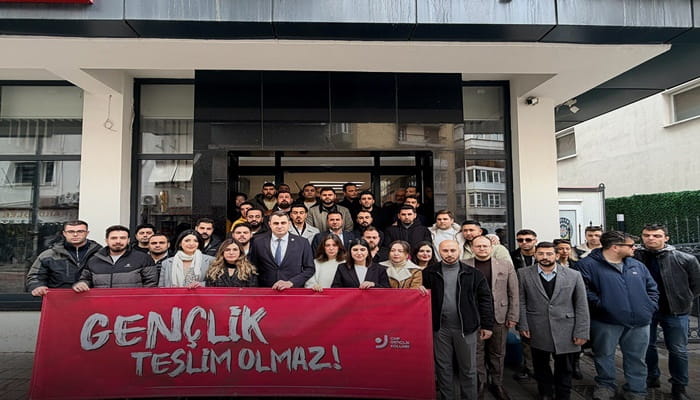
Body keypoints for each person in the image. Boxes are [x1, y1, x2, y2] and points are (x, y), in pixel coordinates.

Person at [577, 231, 659, 400]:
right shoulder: (586, 265)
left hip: (639, 321)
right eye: (631, 245)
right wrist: (602, 305)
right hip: (606, 321)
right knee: (604, 355)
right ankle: (606, 386)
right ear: (615, 247)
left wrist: (649, 306)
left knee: (637, 357)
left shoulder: (637, 265)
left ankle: (636, 390)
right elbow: (583, 291)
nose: (634, 248)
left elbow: (652, 288)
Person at [420, 240, 495, 400]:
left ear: (459, 250)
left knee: (468, 369)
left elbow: (485, 300)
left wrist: (487, 325)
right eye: (445, 250)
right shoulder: (429, 273)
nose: (449, 254)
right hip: (440, 329)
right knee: (443, 368)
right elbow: (421, 298)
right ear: (438, 251)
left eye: (453, 250)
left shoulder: (473, 274)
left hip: (466, 328)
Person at [634, 223, 700, 400]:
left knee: (678, 350)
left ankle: (679, 386)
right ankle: (651, 377)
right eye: (647, 235)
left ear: (666, 238)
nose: (651, 238)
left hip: (675, 310)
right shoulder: (635, 257)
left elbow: (696, 284)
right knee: (646, 346)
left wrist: (684, 299)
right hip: (646, 310)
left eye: (656, 235)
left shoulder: (685, 259)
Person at [518, 242, 590, 400]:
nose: (545, 257)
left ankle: (563, 395)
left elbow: (581, 305)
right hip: (537, 327)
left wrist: (581, 331)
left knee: (565, 367)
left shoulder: (573, 275)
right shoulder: (523, 274)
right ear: (535, 255)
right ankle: (545, 392)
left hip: (567, 328)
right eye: (541, 254)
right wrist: (522, 324)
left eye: (549, 254)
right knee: (540, 364)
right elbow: (521, 301)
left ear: (557, 255)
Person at [465, 236, 518, 400]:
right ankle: (480, 383)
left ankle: (497, 383)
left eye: (485, 246)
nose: (482, 249)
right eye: (478, 246)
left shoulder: (505, 265)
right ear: (472, 248)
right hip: (473, 315)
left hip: (499, 315)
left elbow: (513, 292)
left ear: (491, 247)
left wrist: (513, 315)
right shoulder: (463, 264)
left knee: (498, 352)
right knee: (476, 352)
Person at [27, 220, 102, 296]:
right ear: (64, 233)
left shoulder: (100, 254)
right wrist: (38, 287)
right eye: (70, 232)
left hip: (93, 298)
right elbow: (35, 276)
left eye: (80, 231)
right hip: (58, 299)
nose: (75, 234)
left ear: (87, 233)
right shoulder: (49, 255)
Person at [72, 225, 157, 291]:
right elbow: (86, 279)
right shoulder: (94, 259)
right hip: (102, 305)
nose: (118, 241)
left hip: (133, 305)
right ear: (106, 240)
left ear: (128, 240)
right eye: (114, 238)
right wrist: (82, 284)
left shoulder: (143, 258)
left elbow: (151, 284)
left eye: (122, 238)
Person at [248, 211, 315, 290]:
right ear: (269, 224)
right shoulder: (258, 242)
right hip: (266, 290)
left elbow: (309, 269)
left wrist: (291, 282)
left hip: (293, 290)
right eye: (276, 223)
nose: (279, 226)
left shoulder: (302, 242)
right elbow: (252, 266)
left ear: (289, 224)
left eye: (283, 223)